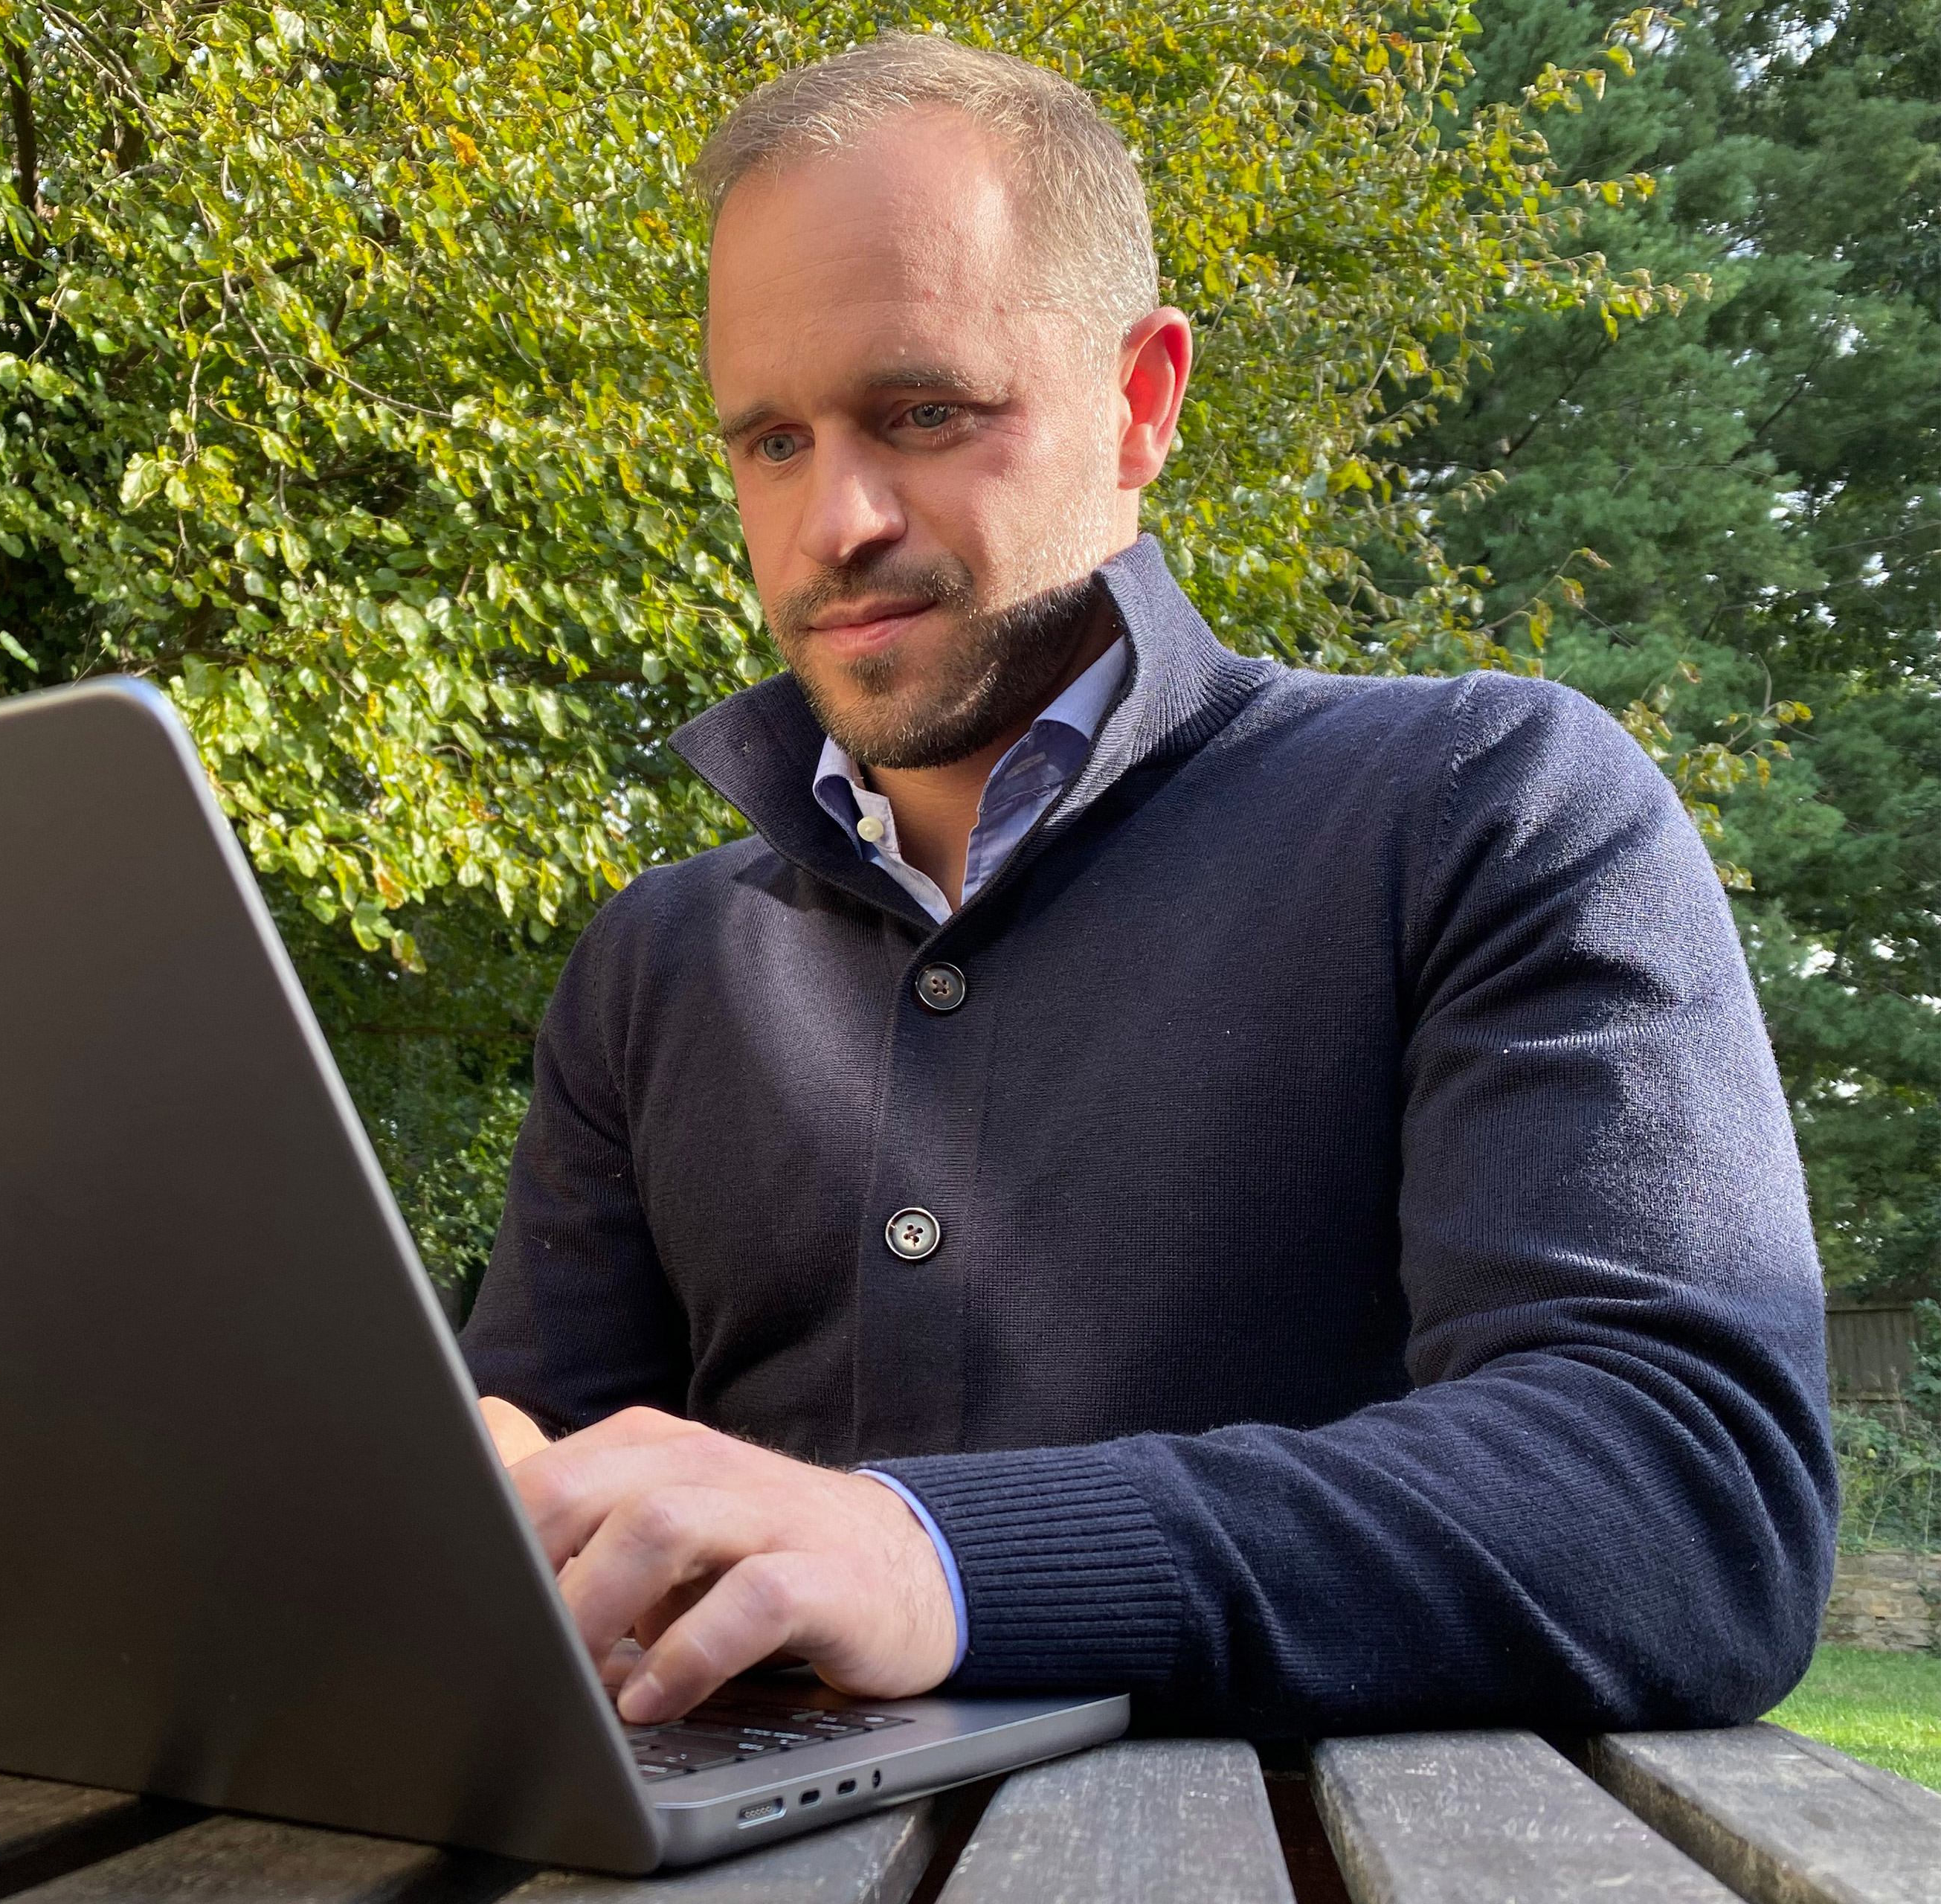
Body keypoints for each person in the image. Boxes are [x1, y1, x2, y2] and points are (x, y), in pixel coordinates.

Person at [457, 32, 1835, 1737]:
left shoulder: (1486, 804)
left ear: (1145, 400)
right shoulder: (657, 961)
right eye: (772, 442)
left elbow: (1683, 1495)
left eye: (923, 413)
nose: (837, 521)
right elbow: (526, 1517)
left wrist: (935, 1556)